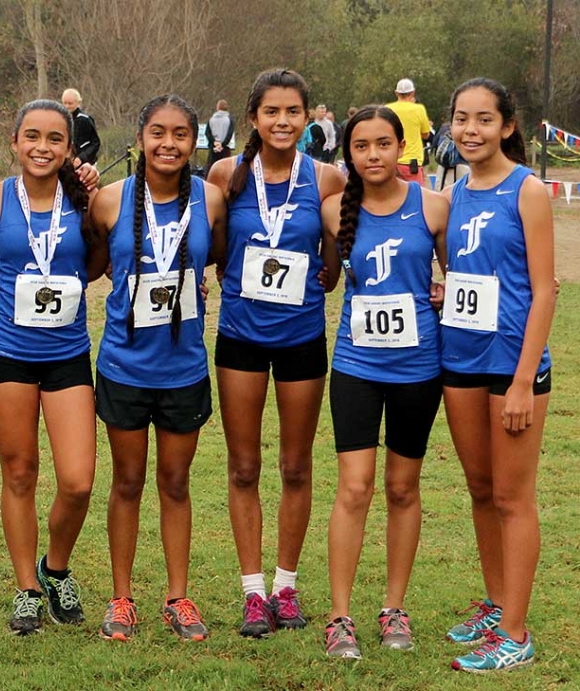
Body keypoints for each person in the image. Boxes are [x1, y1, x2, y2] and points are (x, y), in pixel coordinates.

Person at [207, 68, 343, 640]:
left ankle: (286, 586)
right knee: (243, 467)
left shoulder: (328, 178)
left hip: (302, 338)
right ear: (253, 118)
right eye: (272, 112)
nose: (283, 122)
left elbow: (333, 269)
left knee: (295, 465)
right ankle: (253, 591)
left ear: (307, 117)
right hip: (239, 335)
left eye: (293, 112)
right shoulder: (225, 173)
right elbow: (212, 249)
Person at [92, 94, 226, 642]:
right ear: (139, 138)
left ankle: (177, 596)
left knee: (175, 482)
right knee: (126, 482)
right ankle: (122, 598)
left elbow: (220, 254)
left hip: (184, 367)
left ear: (194, 141)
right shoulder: (107, 200)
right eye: (157, 132)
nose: (168, 143)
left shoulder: (212, 199)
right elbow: (92, 264)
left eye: (179, 134)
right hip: (124, 365)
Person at [321, 105, 449, 660]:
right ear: (348, 153)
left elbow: (458, 278)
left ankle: (395, 607)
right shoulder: (332, 211)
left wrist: (442, 293)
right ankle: (340, 616)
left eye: (382, 144)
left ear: (402, 146)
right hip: (356, 366)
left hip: (419, 368)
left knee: (402, 488)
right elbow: (327, 278)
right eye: (360, 146)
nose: (372, 155)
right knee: (355, 487)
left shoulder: (434, 206)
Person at [0, 99, 104, 635]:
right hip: (7, 351)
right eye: (32, 136)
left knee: (78, 481)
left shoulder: (87, 199)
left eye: (55, 138)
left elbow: (97, 263)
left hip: (67, 352)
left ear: (70, 148)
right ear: (15, 141)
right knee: (20, 472)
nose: (42, 147)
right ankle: (27, 587)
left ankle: (56, 567)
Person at [441, 78, 555, 674]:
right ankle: (495, 604)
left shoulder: (527, 189)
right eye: (461, 119)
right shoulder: (456, 192)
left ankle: (515, 631)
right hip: (458, 360)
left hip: (511, 367)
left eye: (484, 120)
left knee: (513, 497)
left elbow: (544, 291)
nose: (471, 130)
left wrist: (521, 379)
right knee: (481, 489)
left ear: (507, 126)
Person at [386, 79, 432, 185]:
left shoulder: (387, 109)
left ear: (396, 93)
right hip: (412, 162)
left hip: (391, 160)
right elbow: (426, 135)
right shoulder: (418, 109)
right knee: (416, 196)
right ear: (413, 93)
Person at [61, 88, 101, 166]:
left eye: (70, 103)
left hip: (85, 164)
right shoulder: (61, 120)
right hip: (66, 163)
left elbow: (95, 143)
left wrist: (82, 158)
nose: (67, 106)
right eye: (64, 103)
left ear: (78, 103)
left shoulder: (84, 120)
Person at [205, 99, 235, 174]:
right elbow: (229, 134)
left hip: (213, 148)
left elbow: (207, 133)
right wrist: (222, 144)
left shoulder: (211, 119)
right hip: (225, 149)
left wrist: (214, 142)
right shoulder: (229, 120)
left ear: (217, 107)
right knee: (225, 172)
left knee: (211, 171)